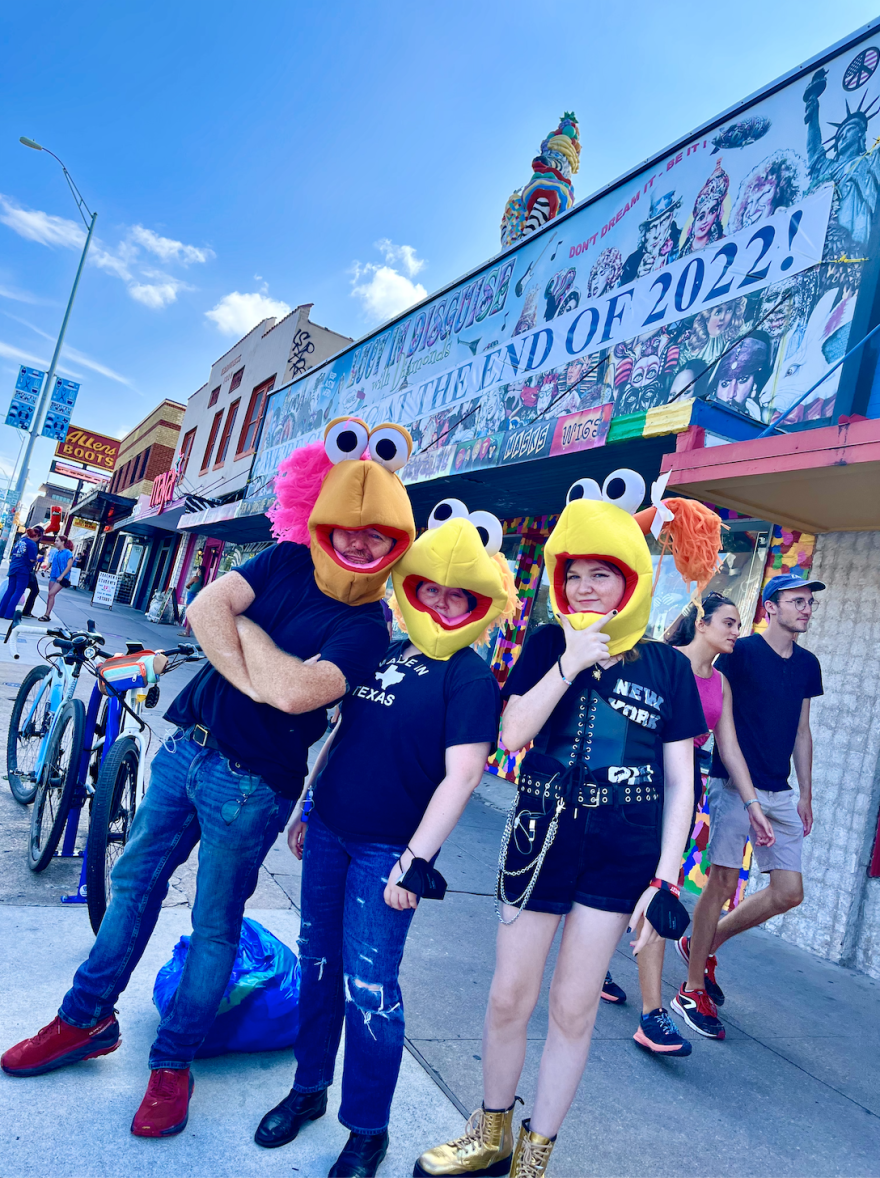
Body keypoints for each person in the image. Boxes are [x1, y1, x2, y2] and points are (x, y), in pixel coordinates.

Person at [1, 420, 417, 1141]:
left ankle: (172, 1064)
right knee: (132, 887)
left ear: (397, 542)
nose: (358, 542)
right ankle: (83, 1020)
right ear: (324, 513)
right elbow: (201, 609)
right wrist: (256, 656)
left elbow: (294, 694)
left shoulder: (370, 625)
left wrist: (242, 637)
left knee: (214, 925)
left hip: (254, 786)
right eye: (350, 526)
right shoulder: (285, 558)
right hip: (183, 751)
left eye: (377, 535)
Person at [415, 477, 714, 1178]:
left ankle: (535, 1158)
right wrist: (570, 661)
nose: (582, 587)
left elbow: (681, 781)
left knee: (575, 1009)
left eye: (599, 575)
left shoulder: (668, 666)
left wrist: (667, 877)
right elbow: (511, 733)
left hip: (620, 853)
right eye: (572, 574)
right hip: (538, 839)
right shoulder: (549, 639)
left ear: (631, 580)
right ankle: (490, 1136)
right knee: (507, 996)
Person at [254, 507, 516, 1178]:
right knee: (316, 966)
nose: (443, 602)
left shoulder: (469, 677)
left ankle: (366, 1129)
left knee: (370, 991)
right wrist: (309, 803)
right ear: (415, 587)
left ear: (477, 601)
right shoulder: (388, 651)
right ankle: (308, 1090)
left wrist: (414, 863)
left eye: (459, 595)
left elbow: (461, 778)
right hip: (332, 832)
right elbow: (345, 733)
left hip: (387, 855)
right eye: (432, 589)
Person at [607, 593, 776, 1052]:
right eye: (729, 622)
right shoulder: (662, 661)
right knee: (634, 880)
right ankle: (646, 1007)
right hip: (641, 781)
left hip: (685, 788)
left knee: (662, 886)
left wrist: (753, 805)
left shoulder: (721, 683)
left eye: (739, 624)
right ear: (701, 623)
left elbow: (731, 749)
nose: (736, 632)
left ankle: (649, 1012)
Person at [674, 574, 824, 1038]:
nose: (805, 609)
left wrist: (805, 792)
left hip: (779, 791)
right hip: (733, 784)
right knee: (720, 882)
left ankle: (705, 941)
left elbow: (801, 730)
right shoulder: (741, 653)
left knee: (788, 891)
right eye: (796, 601)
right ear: (771, 607)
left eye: (808, 602)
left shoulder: (807, 664)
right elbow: (713, 699)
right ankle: (692, 987)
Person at [0, 525, 43, 619]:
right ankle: (9, 614)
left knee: (10, 590)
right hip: (23, 570)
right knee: (18, 591)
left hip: (13, 568)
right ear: (36, 536)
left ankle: (1, 611)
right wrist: (38, 558)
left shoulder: (20, 541)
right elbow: (32, 559)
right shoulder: (32, 544)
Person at [38, 537, 74, 622]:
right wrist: (47, 568)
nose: (55, 542)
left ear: (63, 542)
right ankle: (47, 614)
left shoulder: (68, 553)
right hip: (53, 575)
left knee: (51, 594)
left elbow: (69, 565)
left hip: (61, 577)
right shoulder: (57, 552)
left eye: (57, 541)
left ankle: (47, 614)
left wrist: (62, 575)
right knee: (50, 595)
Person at [178, 556, 206, 637]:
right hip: (195, 596)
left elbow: (187, 585)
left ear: (199, 570)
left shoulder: (196, 577)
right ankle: (187, 631)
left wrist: (191, 584)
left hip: (190, 596)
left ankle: (187, 631)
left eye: (198, 569)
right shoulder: (202, 579)